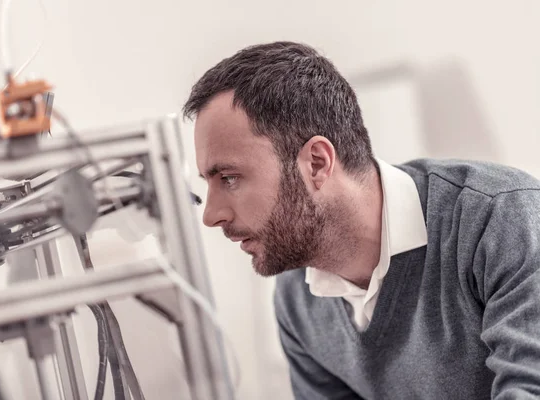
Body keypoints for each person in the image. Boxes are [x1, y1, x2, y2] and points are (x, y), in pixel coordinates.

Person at [182, 41, 540, 399]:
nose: (211, 215)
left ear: (317, 163)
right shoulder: (296, 298)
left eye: (228, 178)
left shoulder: (501, 218)